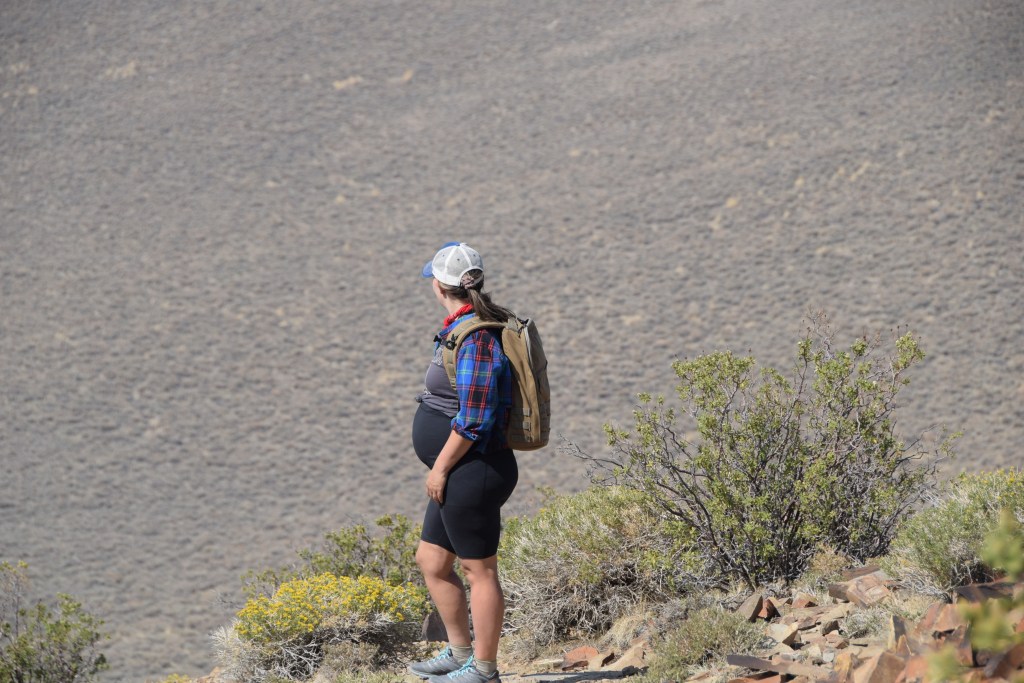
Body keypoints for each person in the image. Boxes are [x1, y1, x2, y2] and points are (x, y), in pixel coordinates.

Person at [407, 242, 518, 683]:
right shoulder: (461, 329)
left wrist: (440, 468)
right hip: (459, 471)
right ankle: (459, 654)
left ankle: (484, 670)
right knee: (432, 561)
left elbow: (475, 418)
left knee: (479, 570)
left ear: (439, 285)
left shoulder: (477, 338)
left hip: (475, 470)